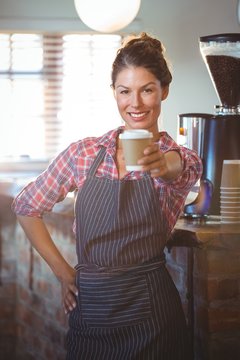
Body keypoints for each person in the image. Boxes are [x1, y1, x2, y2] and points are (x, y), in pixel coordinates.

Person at [12, 32, 202, 360]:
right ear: (114, 93)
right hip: (90, 316)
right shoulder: (84, 154)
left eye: (147, 90)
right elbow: (27, 205)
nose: (135, 103)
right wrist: (63, 271)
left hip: (153, 318)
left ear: (164, 91)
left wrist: (164, 164)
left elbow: (186, 168)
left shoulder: (175, 156)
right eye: (124, 91)